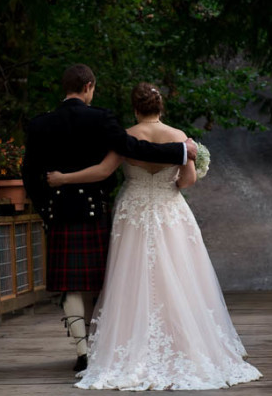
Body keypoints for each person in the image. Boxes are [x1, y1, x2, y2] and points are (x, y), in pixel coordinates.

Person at [47, 82, 262, 390]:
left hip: (133, 213)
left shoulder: (126, 137)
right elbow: (186, 182)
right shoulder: (179, 138)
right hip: (169, 212)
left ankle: (127, 348)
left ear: (135, 109)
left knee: (131, 278)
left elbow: (102, 171)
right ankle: (184, 343)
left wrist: (63, 178)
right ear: (161, 108)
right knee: (178, 275)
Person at [21, 64, 197, 372]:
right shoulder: (101, 119)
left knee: (72, 285)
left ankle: (83, 350)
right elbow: (132, 148)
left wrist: (45, 207)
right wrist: (181, 151)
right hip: (92, 209)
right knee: (103, 280)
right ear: (88, 86)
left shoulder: (39, 125)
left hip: (59, 210)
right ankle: (109, 342)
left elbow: (28, 174)